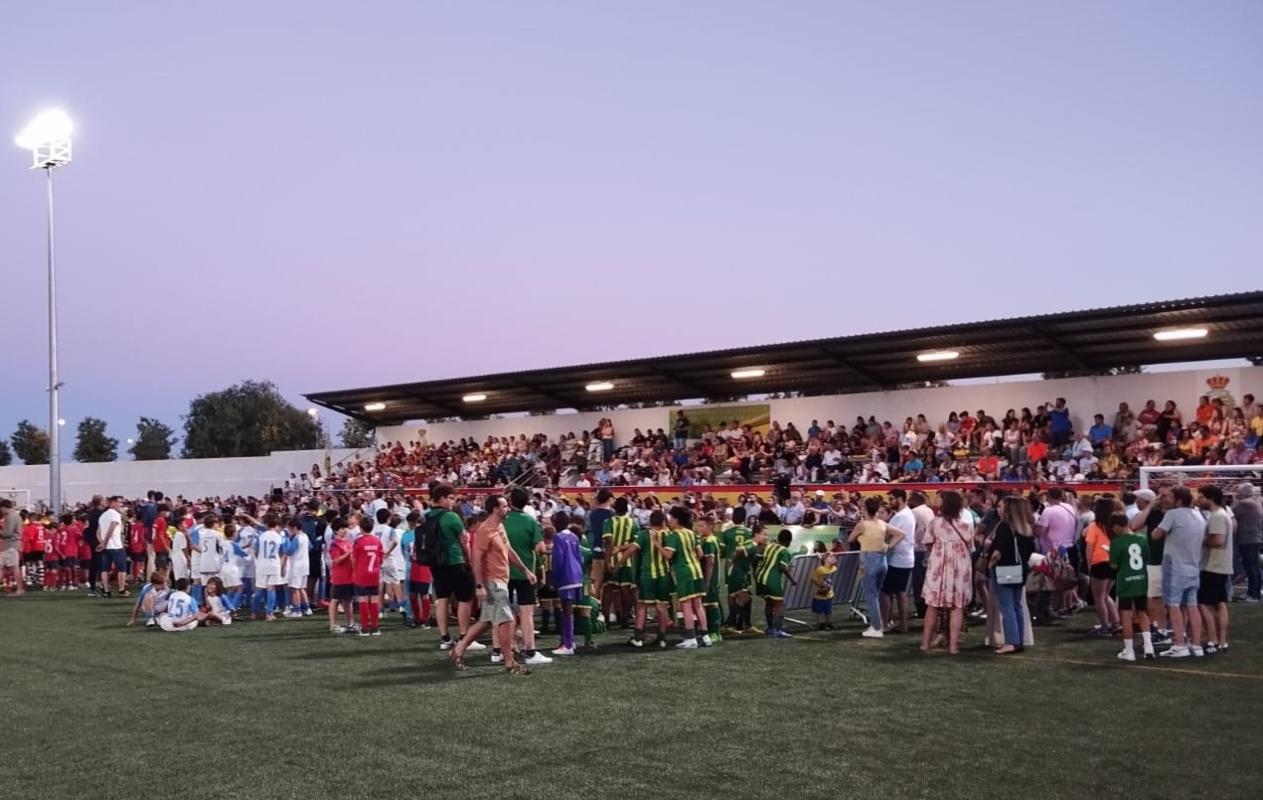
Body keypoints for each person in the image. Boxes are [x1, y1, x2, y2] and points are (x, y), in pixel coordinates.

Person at [450, 495, 538, 675]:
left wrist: (525, 570)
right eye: (505, 506)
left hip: (500, 581)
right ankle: (509, 662)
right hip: (493, 583)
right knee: (507, 620)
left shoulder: (500, 527)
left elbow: (509, 551)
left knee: (487, 621)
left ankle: (457, 651)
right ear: (495, 509)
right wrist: (480, 585)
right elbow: (477, 558)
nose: (508, 509)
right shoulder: (486, 530)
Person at [1151, 487, 1206, 658]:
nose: (1167, 500)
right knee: (1192, 606)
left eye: (1171, 497)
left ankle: (1179, 645)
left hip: (1175, 566)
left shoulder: (1173, 515)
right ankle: (1196, 645)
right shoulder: (1199, 515)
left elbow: (1155, 535)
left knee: (1173, 606)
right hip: (1193, 566)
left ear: (1179, 500)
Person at [503, 487, 551, 666]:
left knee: (505, 613)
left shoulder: (503, 520)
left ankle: (504, 649)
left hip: (505, 571)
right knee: (527, 612)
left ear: (510, 502)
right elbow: (540, 548)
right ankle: (529, 650)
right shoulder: (530, 521)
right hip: (526, 572)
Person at [428, 484, 480, 652]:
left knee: (442, 599)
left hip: (436, 562)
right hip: (455, 560)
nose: (452, 501)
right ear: (442, 498)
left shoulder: (428, 516)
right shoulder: (451, 516)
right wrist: (470, 561)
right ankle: (465, 637)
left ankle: (445, 637)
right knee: (464, 599)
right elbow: (465, 540)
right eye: (450, 498)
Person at [921, 490, 973, 655]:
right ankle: (953, 647)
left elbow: (927, 543)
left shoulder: (935, 524)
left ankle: (925, 643)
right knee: (956, 607)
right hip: (960, 569)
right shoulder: (966, 525)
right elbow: (970, 548)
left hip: (938, 567)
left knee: (932, 606)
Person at [847, 496, 904, 638]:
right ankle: (877, 625)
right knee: (876, 594)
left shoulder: (862, 525)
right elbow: (900, 534)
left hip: (868, 560)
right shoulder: (882, 523)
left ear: (865, 509)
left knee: (871, 596)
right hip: (881, 560)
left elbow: (850, 539)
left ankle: (877, 627)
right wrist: (888, 546)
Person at [986, 496, 1036, 655]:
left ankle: (1011, 641)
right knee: (1016, 605)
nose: (998, 509)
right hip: (1020, 569)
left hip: (1005, 569)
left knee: (1007, 606)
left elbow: (997, 552)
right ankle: (1018, 640)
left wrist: (989, 564)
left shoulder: (1005, 527)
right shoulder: (1026, 528)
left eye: (1001, 506)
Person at [661, 506, 709, 649]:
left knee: (686, 604)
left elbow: (668, 555)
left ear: (677, 519)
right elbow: (700, 554)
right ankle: (705, 636)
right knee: (698, 604)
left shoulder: (673, 535)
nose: (669, 521)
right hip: (696, 570)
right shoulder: (691, 533)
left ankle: (691, 638)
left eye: (671, 518)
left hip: (684, 572)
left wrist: (657, 544)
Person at [1108, 511, 1154, 661]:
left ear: (1117, 526)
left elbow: (1114, 565)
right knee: (1142, 612)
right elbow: (1147, 558)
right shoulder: (1142, 538)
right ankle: (1148, 647)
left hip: (1125, 581)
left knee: (1126, 615)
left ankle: (1129, 650)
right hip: (1141, 579)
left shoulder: (1116, 542)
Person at [622, 510, 672, 648]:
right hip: (664, 575)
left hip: (648, 575)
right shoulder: (669, 535)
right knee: (662, 606)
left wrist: (618, 564)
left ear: (650, 521)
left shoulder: (644, 535)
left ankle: (637, 638)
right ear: (663, 522)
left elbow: (631, 550)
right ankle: (662, 638)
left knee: (642, 605)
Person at [1196, 486, 1232, 654]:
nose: (1199, 500)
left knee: (1203, 603)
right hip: (1221, 565)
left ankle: (1212, 639)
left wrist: (1200, 541)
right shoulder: (1222, 514)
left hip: (1213, 565)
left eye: (1201, 497)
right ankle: (1222, 640)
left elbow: (1218, 540)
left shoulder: (1217, 516)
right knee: (1220, 603)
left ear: (1210, 498)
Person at [1084, 497, 1121, 637]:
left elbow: (1089, 548)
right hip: (1113, 561)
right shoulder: (1115, 525)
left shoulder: (1095, 526)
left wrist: (1089, 566)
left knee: (1099, 597)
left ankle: (1105, 626)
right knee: (1106, 595)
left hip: (1099, 562)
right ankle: (1115, 622)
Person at [882, 489, 916, 633]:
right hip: (906, 557)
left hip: (898, 559)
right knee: (901, 592)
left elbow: (889, 534)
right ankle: (903, 624)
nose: (890, 502)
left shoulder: (900, 517)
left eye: (892, 499)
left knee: (886, 591)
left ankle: (884, 623)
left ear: (900, 499)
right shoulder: (908, 514)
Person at [754, 527, 797, 639]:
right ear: (789, 541)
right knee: (779, 604)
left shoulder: (769, 546)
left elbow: (758, 557)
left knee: (769, 602)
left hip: (761, 577)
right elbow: (782, 567)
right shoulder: (784, 551)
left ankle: (770, 628)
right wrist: (792, 579)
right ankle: (778, 630)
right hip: (772, 579)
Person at [721, 507, 756, 635]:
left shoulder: (727, 533)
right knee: (744, 593)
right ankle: (740, 622)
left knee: (733, 594)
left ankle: (732, 623)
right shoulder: (749, 532)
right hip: (744, 568)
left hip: (730, 567)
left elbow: (723, 552)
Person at [251, 514, 286, 622]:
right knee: (271, 589)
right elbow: (282, 552)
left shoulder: (260, 536)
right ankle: (269, 613)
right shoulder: (279, 536)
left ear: (266, 524)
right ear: (276, 524)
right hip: (274, 564)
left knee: (259, 590)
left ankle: (254, 612)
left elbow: (255, 551)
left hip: (262, 564)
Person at [353, 516, 384, 636]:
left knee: (363, 600)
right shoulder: (377, 541)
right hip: (375, 574)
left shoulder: (358, 541)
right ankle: (375, 627)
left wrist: (356, 571)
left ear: (360, 528)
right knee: (374, 601)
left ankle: (365, 628)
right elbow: (381, 558)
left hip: (362, 574)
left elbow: (354, 559)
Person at [1233, 483, 1262, 603]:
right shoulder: (1256, 502)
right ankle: (1254, 593)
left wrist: (1234, 501)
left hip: (1247, 539)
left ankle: (1253, 595)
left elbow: (1232, 513)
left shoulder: (1244, 504)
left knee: (1251, 568)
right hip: (1254, 538)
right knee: (1254, 567)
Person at [96, 496, 130, 598]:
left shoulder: (103, 515)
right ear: (113, 503)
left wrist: (102, 543)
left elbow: (98, 531)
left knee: (104, 569)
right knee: (122, 568)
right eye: (120, 503)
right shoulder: (115, 515)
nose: (121, 505)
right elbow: (111, 529)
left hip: (106, 548)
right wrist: (105, 542)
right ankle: (121, 589)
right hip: (115, 546)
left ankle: (106, 590)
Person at [327, 518, 355, 633]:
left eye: (346, 528)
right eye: (342, 528)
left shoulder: (349, 543)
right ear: (336, 530)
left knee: (348, 601)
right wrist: (348, 554)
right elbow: (336, 560)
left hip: (350, 576)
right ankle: (332, 624)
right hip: (339, 577)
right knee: (335, 600)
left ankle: (351, 622)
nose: (345, 530)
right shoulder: (334, 544)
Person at [0, 499, 23, 596]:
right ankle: (20, 589)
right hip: (12, 545)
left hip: (10, 545)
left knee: (14, 568)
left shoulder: (10, 517)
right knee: (6, 567)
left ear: (4, 507)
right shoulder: (16, 516)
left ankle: (20, 589)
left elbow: (8, 533)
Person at [811, 551, 838, 630]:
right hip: (819, 595)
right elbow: (813, 578)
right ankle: (820, 623)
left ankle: (827, 623)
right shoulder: (820, 569)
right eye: (831, 556)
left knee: (828, 610)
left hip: (828, 594)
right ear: (825, 559)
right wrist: (820, 584)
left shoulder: (833, 568)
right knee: (819, 610)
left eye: (834, 556)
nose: (834, 558)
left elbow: (834, 566)